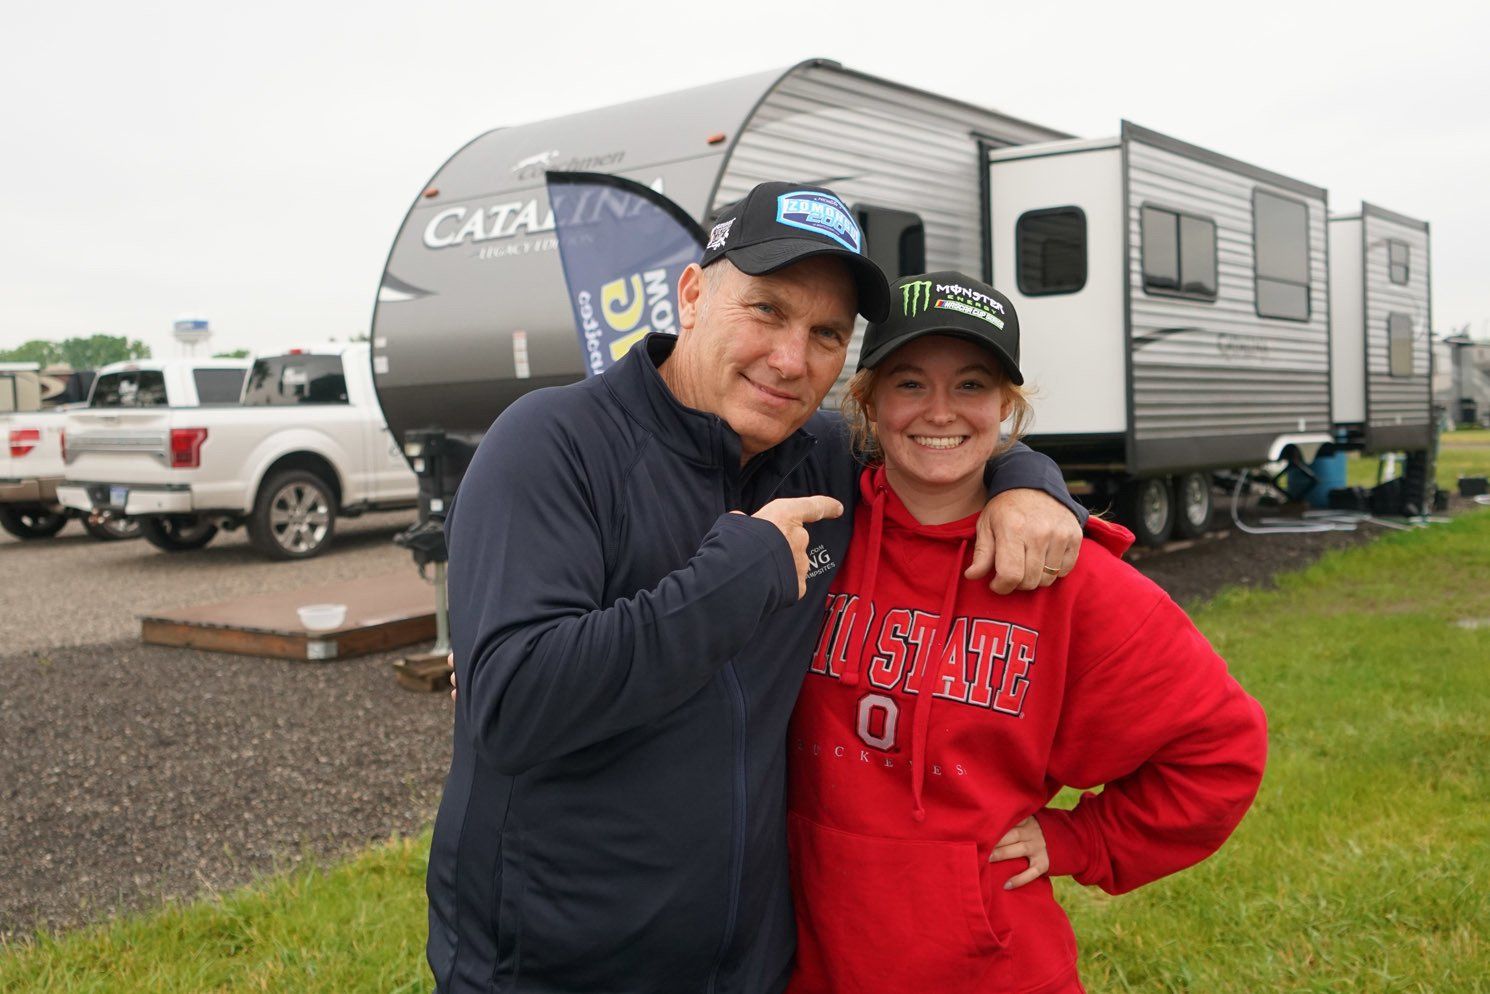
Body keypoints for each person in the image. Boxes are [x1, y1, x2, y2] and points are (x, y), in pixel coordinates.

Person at [429, 183, 1089, 994]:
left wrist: (1028, 479)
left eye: (825, 334)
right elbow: (513, 707)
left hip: (751, 965)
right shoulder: (550, 442)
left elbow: (938, 437)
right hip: (556, 965)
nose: (790, 359)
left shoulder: (820, 453)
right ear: (694, 294)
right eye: (767, 311)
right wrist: (740, 572)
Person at [786, 272, 1269, 994]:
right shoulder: (815, 533)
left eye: (973, 385)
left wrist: (1082, 838)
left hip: (988, 967)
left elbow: (1220, 750)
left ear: (1008, 407)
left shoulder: (1067, 575)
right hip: (804, 959)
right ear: (869, 401)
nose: (940, 411)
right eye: (910, 384)